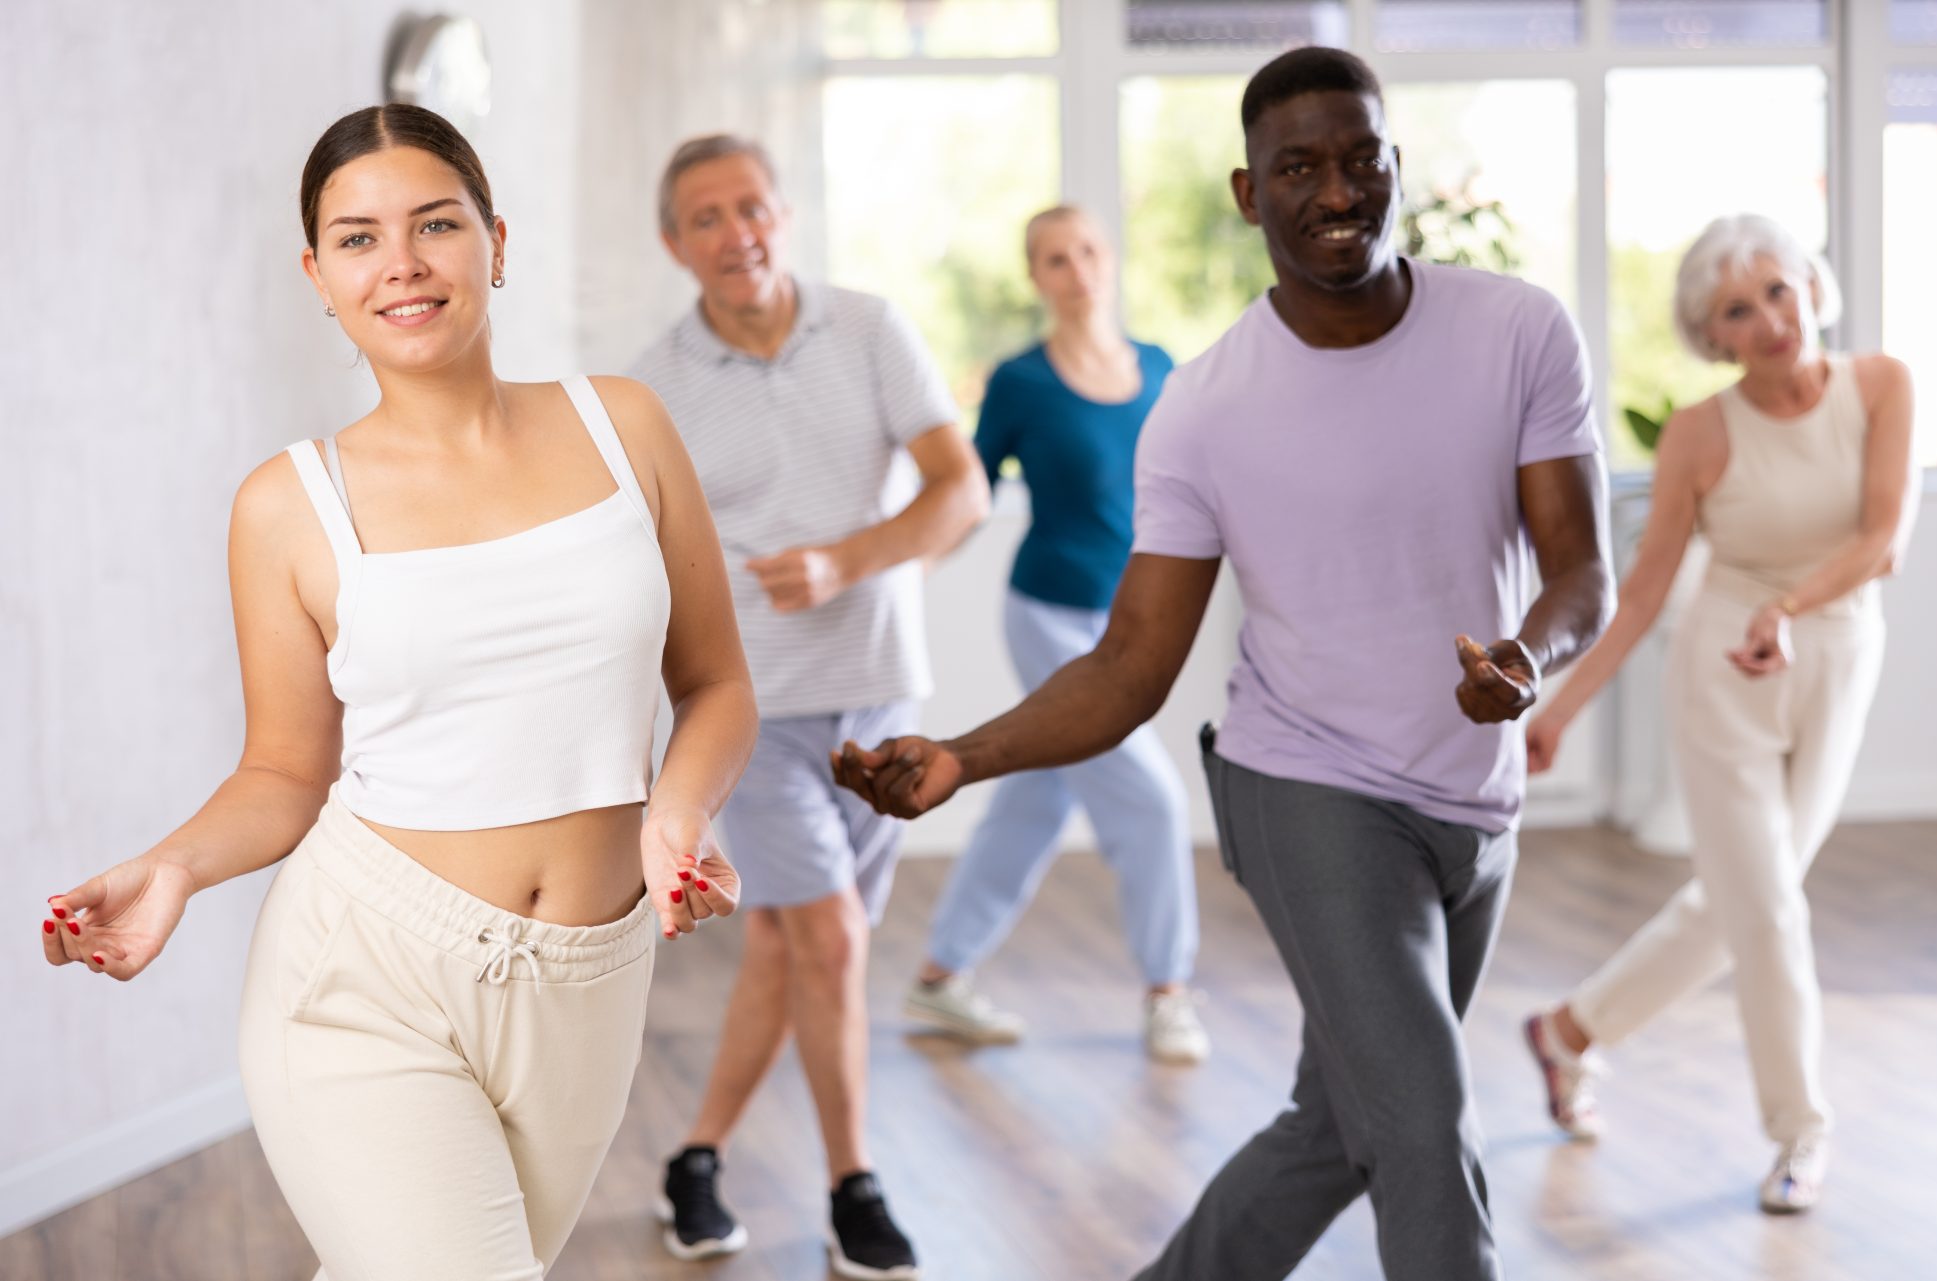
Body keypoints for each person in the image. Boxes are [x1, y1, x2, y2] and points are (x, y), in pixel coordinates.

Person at [834, 47, 1612, 1281]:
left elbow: (1580, 572)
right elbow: (1133, 662)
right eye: (1298, 167)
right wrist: (961, 757)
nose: (1337, 191)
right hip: (1306, 785)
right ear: (1250, 197)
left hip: (1471, 798)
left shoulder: (1516, 332)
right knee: (1421, 1127)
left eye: (1361, 160)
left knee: (1340, 1126)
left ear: (1394, 168)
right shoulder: (1202, 409)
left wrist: (1524, 656)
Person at [40, 103, 756, 1280]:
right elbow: (282, 772)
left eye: (436, 223)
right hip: (365, 969)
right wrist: (173, 864)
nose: (404, 264)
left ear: (497, 242)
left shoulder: (624, 423)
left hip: (592, 974)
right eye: (359, 239)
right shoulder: (287, 505)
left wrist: (675, 813)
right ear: (317, 276)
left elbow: (718, 683)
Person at [629, 133, 988, 1280]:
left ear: (784, 214)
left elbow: (960, 490)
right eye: (705, 218)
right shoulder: (657, 385)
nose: (735, 234)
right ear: (673, 243)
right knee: (828, 940)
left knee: (796, 954)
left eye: (751, 208)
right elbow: (644, 557)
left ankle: (692, 1161)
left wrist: (845, 562)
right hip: (752, 709)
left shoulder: (869, 329)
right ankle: (853, 1190)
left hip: (880, 707)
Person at [1521, 212, 1917, 1215]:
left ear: (1808, 290)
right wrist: (1555, 711)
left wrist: (1788, 608)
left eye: (1777, 291)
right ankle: (1799, 1134)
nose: (1769, 320)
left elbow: (1881, 539)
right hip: (1722, 671)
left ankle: (1567, 1031)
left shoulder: (1880, 387)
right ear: (1713, 334)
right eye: (1737, 310)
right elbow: (1644, 591)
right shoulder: (1700, 434)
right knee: (1769, 910)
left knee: (1741, 901)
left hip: (1834, 654)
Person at [903, 204, 1207, 1064]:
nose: (1075, 271)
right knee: (1151, 799)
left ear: (1109, 261)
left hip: (1134, 619)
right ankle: (1168, 991)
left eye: (1086, 253)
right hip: (1047, 615)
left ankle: (938, 975)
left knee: (1037, 795)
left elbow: (1190, 489)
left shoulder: (1158, 369)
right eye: (1054, 259)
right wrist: (906, 568)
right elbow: (967, 491)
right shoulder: (1020, 382)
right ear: (1036, 277)